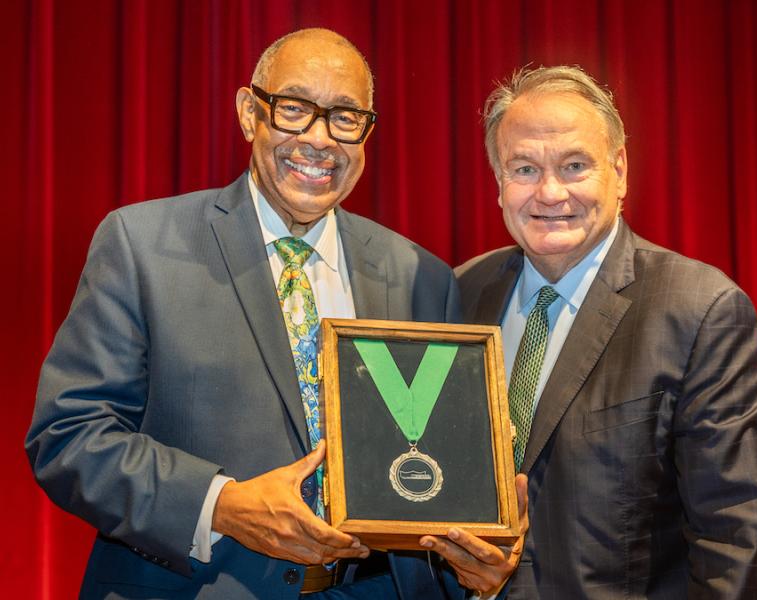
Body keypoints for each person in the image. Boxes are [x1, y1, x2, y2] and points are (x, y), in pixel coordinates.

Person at [26, 28, 516, 599]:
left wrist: (482, 554)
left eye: (345, 117)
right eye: (294, 109)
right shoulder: (141, 244)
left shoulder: (421, 276)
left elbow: (437, 470)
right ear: (247, 112)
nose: (319, 139)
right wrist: (222, 504)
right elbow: (70, 435)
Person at [452, 65, 757, 598]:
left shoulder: (700, 311)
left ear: (620, 170)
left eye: (575, 165)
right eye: (524, 169)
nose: (551, 192)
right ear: (498, 182)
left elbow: (736, 547)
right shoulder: (460, 295)